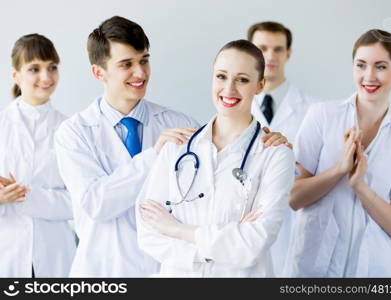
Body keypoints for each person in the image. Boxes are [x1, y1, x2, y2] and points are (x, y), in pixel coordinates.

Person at [54, 16, 287, 277]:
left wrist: (264, 138)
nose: (140, 73)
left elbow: (223, 165)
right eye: (126, 64)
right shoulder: (74, 132)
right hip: (106, 271)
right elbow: (95, 204)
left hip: (173, 270)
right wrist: (154, 156)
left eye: (144, 60)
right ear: (99, 72)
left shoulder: (181, 125)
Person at [136, 39, 295, 277]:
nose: (229, 89)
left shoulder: (275, 154)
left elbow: (254, 243)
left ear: (260, 85)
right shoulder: (177, 148)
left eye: (242, 79)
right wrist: (216, 248)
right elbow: (149, 233)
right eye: (221, 76)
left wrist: (177, 229)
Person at [285, 29, 391, 277]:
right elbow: (293, 197)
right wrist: (340, 170)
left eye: (380, 66)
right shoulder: (322, 116)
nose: (369, 76)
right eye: (361, 65)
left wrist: (360, 186)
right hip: (313, 268)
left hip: (372, 272)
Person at [0, 34, 76, 277]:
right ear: (16, 75)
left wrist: (27, 197)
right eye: (34, 68)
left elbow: (80, 202)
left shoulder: (71, 130)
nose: (46, 77)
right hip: (7, 251)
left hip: (55, 253)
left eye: (52, 67)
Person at [247, 21, 316, 276]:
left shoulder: (313, 110)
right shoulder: (233, 108)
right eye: (262, 48)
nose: (270, 56)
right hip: (246, 227)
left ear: (288, 53)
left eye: (278, 49)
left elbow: (314, 175)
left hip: (294, 225)